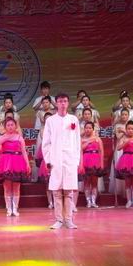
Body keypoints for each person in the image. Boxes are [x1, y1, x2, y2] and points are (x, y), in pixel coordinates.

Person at [42, 93, 84, 229]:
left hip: (70, 159)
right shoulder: (50, 121)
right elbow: (46, 143)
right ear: (56, 103)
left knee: (68, 191)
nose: (63, 104)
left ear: (68, 103)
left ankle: (68, 219)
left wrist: (76, 160)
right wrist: (48, 160)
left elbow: (77, 142)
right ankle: (59, 220)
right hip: (55, 159)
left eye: (65, 101)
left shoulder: (73, 119)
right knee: (57, 191)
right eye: (60, 101)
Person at [0, 117, 31, 216]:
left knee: (16, 187)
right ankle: (9, 209)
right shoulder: (3, 137)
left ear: (15, 126)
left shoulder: (19, 137)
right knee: (7, 187)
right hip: (6, 163)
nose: (10, 127)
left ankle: (15, 208)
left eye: (12, 125)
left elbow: (24, 152)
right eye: (8, 125)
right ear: (5, 127)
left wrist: (27, 164)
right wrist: (3, 139)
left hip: (17, 162)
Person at [81, 121, 106, 208]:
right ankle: (88, 201)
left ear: (93, 129)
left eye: (90, 128)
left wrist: (101, 163)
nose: (88, 129)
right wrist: (88, 142)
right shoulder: (82, 139)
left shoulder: (98, 139)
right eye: (86, 128)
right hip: (86, 161)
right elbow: (80, 149)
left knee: (94, 182)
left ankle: (93, 201)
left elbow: (101, 151)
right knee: (87, 182)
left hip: (95, 161)